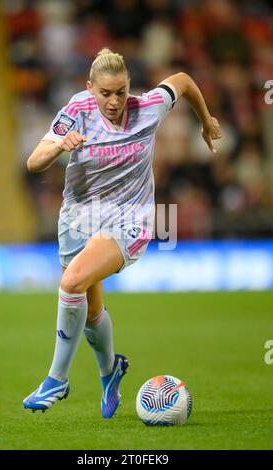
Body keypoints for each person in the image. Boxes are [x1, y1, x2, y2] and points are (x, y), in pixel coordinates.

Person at [23, 48, 221, 418]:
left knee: (71, 282)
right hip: (78, 220)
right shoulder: (77, 111)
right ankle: (110, 370)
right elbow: (34, 162)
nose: (114, 102)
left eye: (121, 91)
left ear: (130, 86)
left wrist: (206, 120)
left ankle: (57, 378)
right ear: (90, 88)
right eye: (105, 93)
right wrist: (58, 147)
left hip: (130, 220)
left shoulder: (148, 107)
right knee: (91, 308)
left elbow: (184, 81)